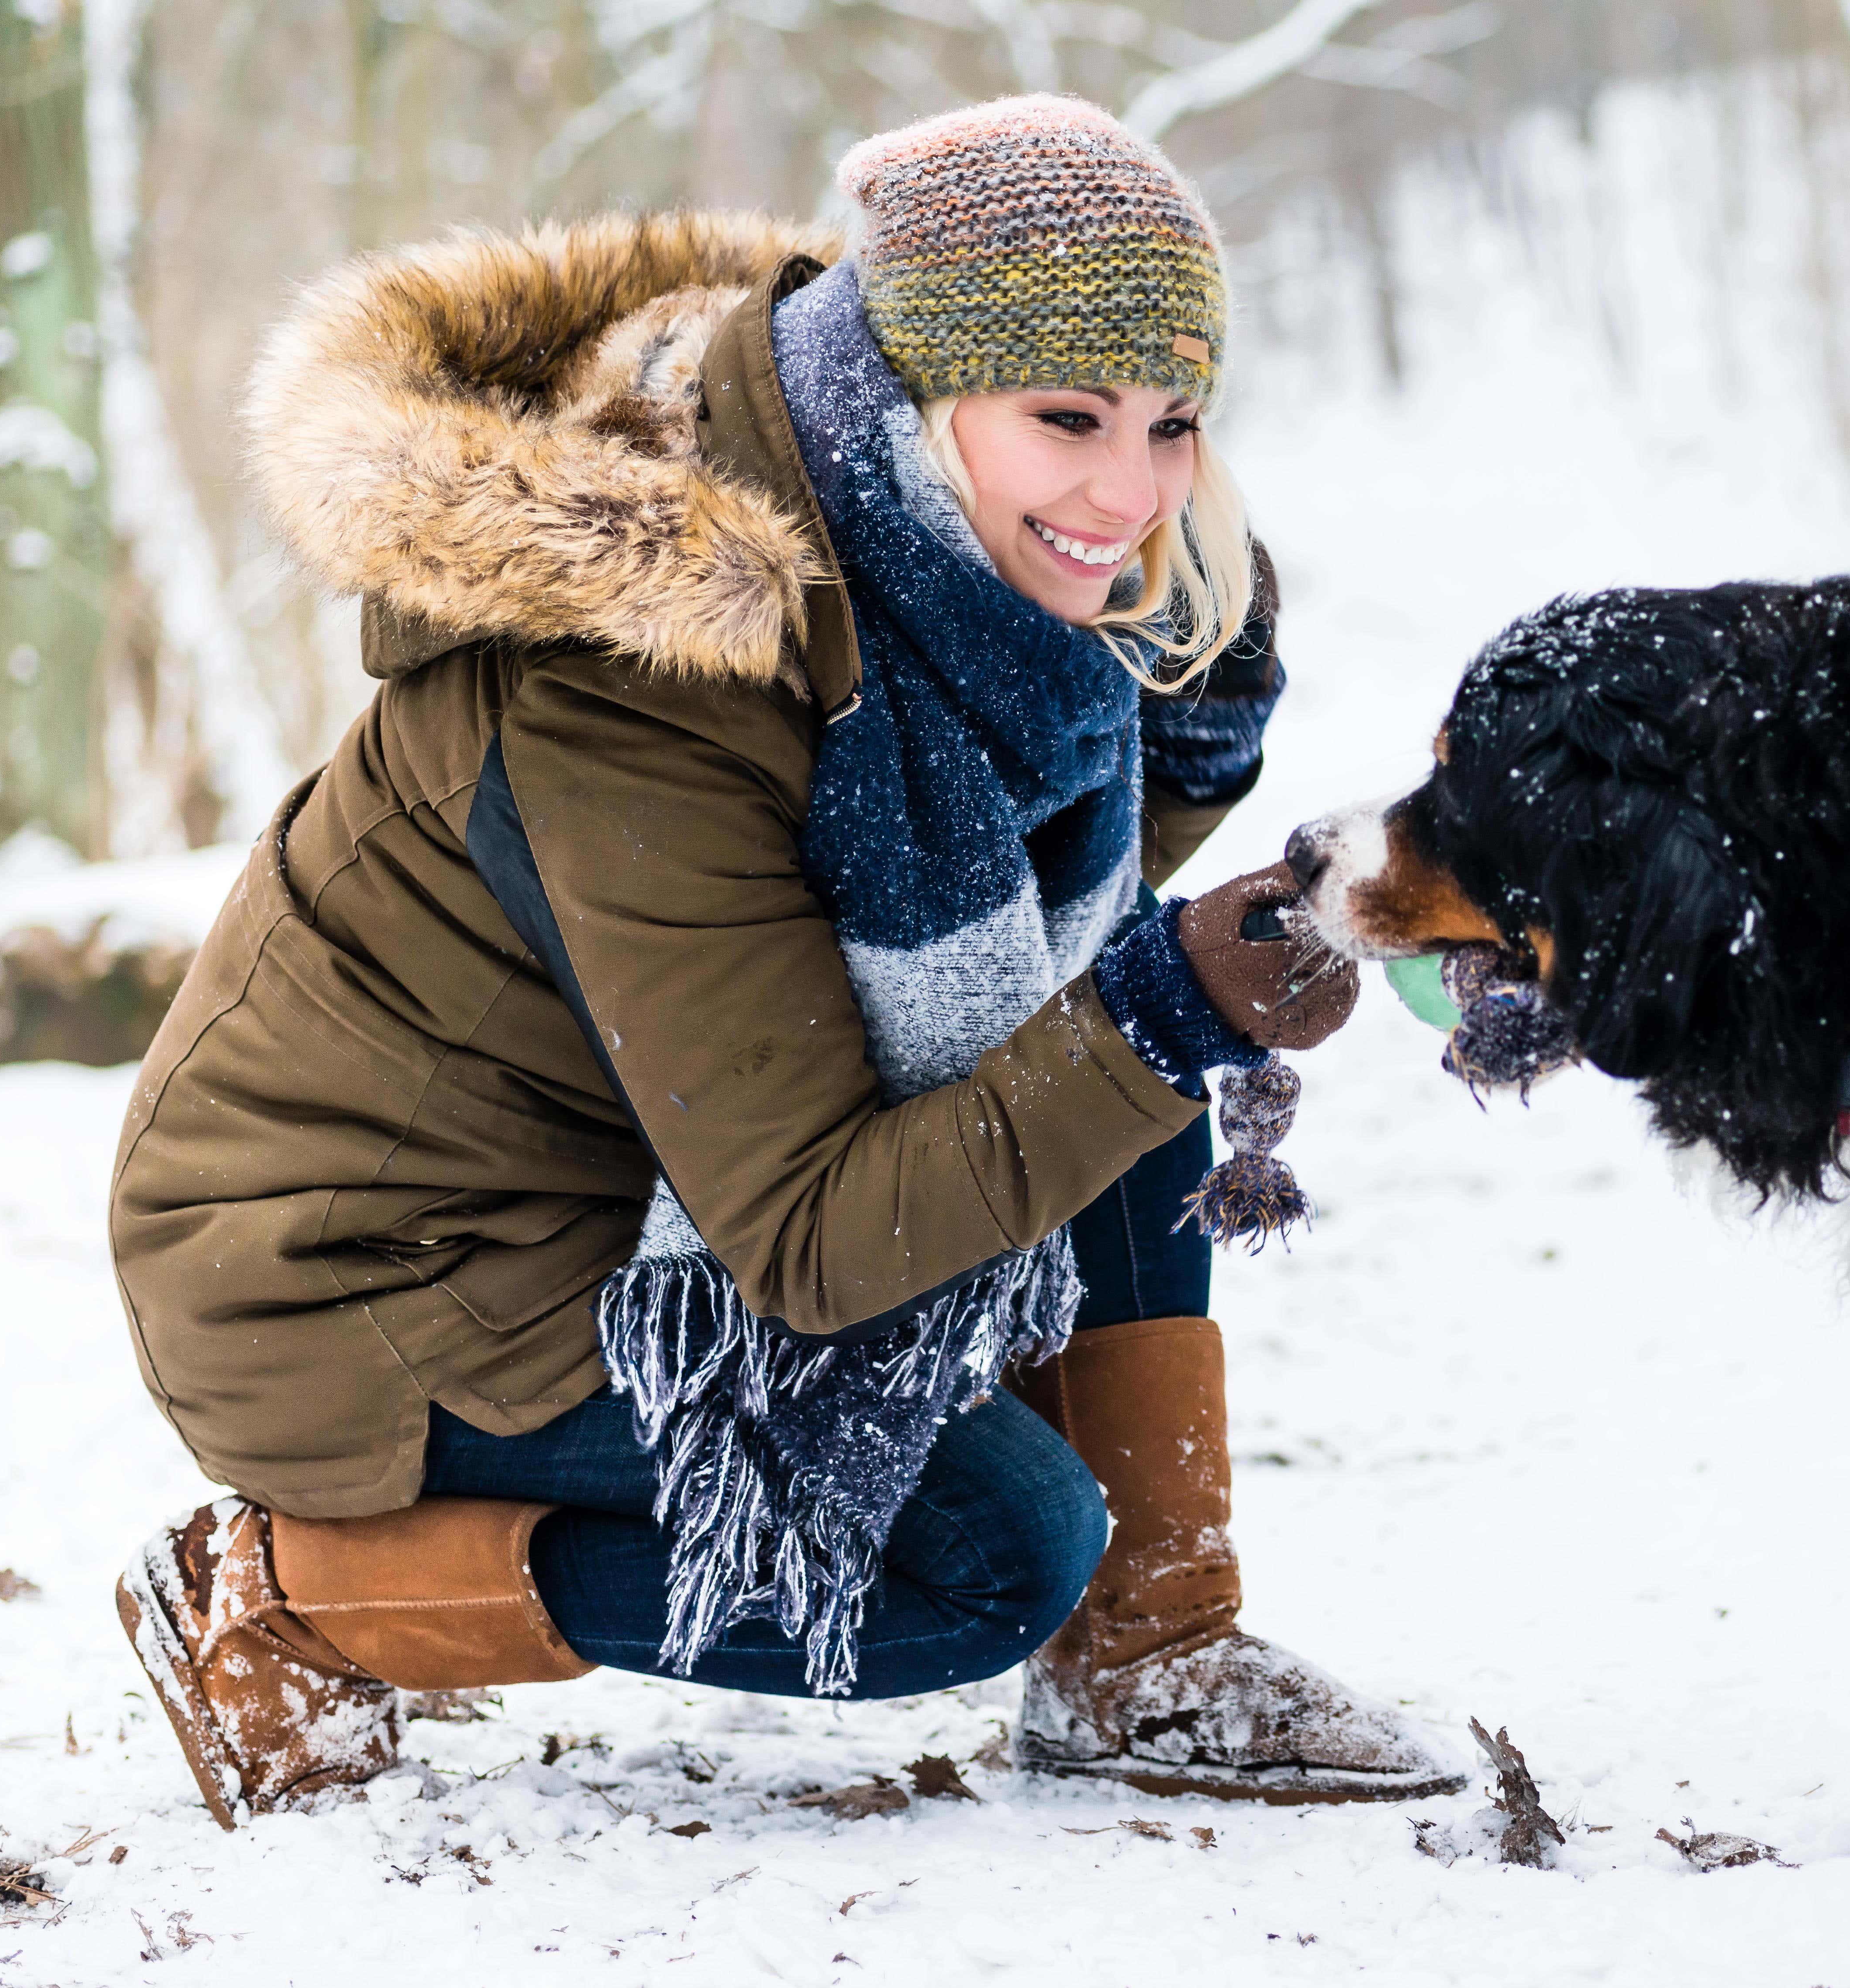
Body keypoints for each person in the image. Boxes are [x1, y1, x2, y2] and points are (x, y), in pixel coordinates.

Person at [105, 96, 1459, 1825]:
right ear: (917, 388)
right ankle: (287, 1592)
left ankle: (1155, 1656)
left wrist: (1185, 784)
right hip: (358, 1272)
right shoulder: (643, 669)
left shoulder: (929, 563)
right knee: (982, 1550)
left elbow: (976, 944)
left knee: (1125, 1036)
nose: (1131, 491)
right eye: (1068, 419)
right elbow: (820, 1237)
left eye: (1172, 422)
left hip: (650, 1161)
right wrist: (1156, 995)